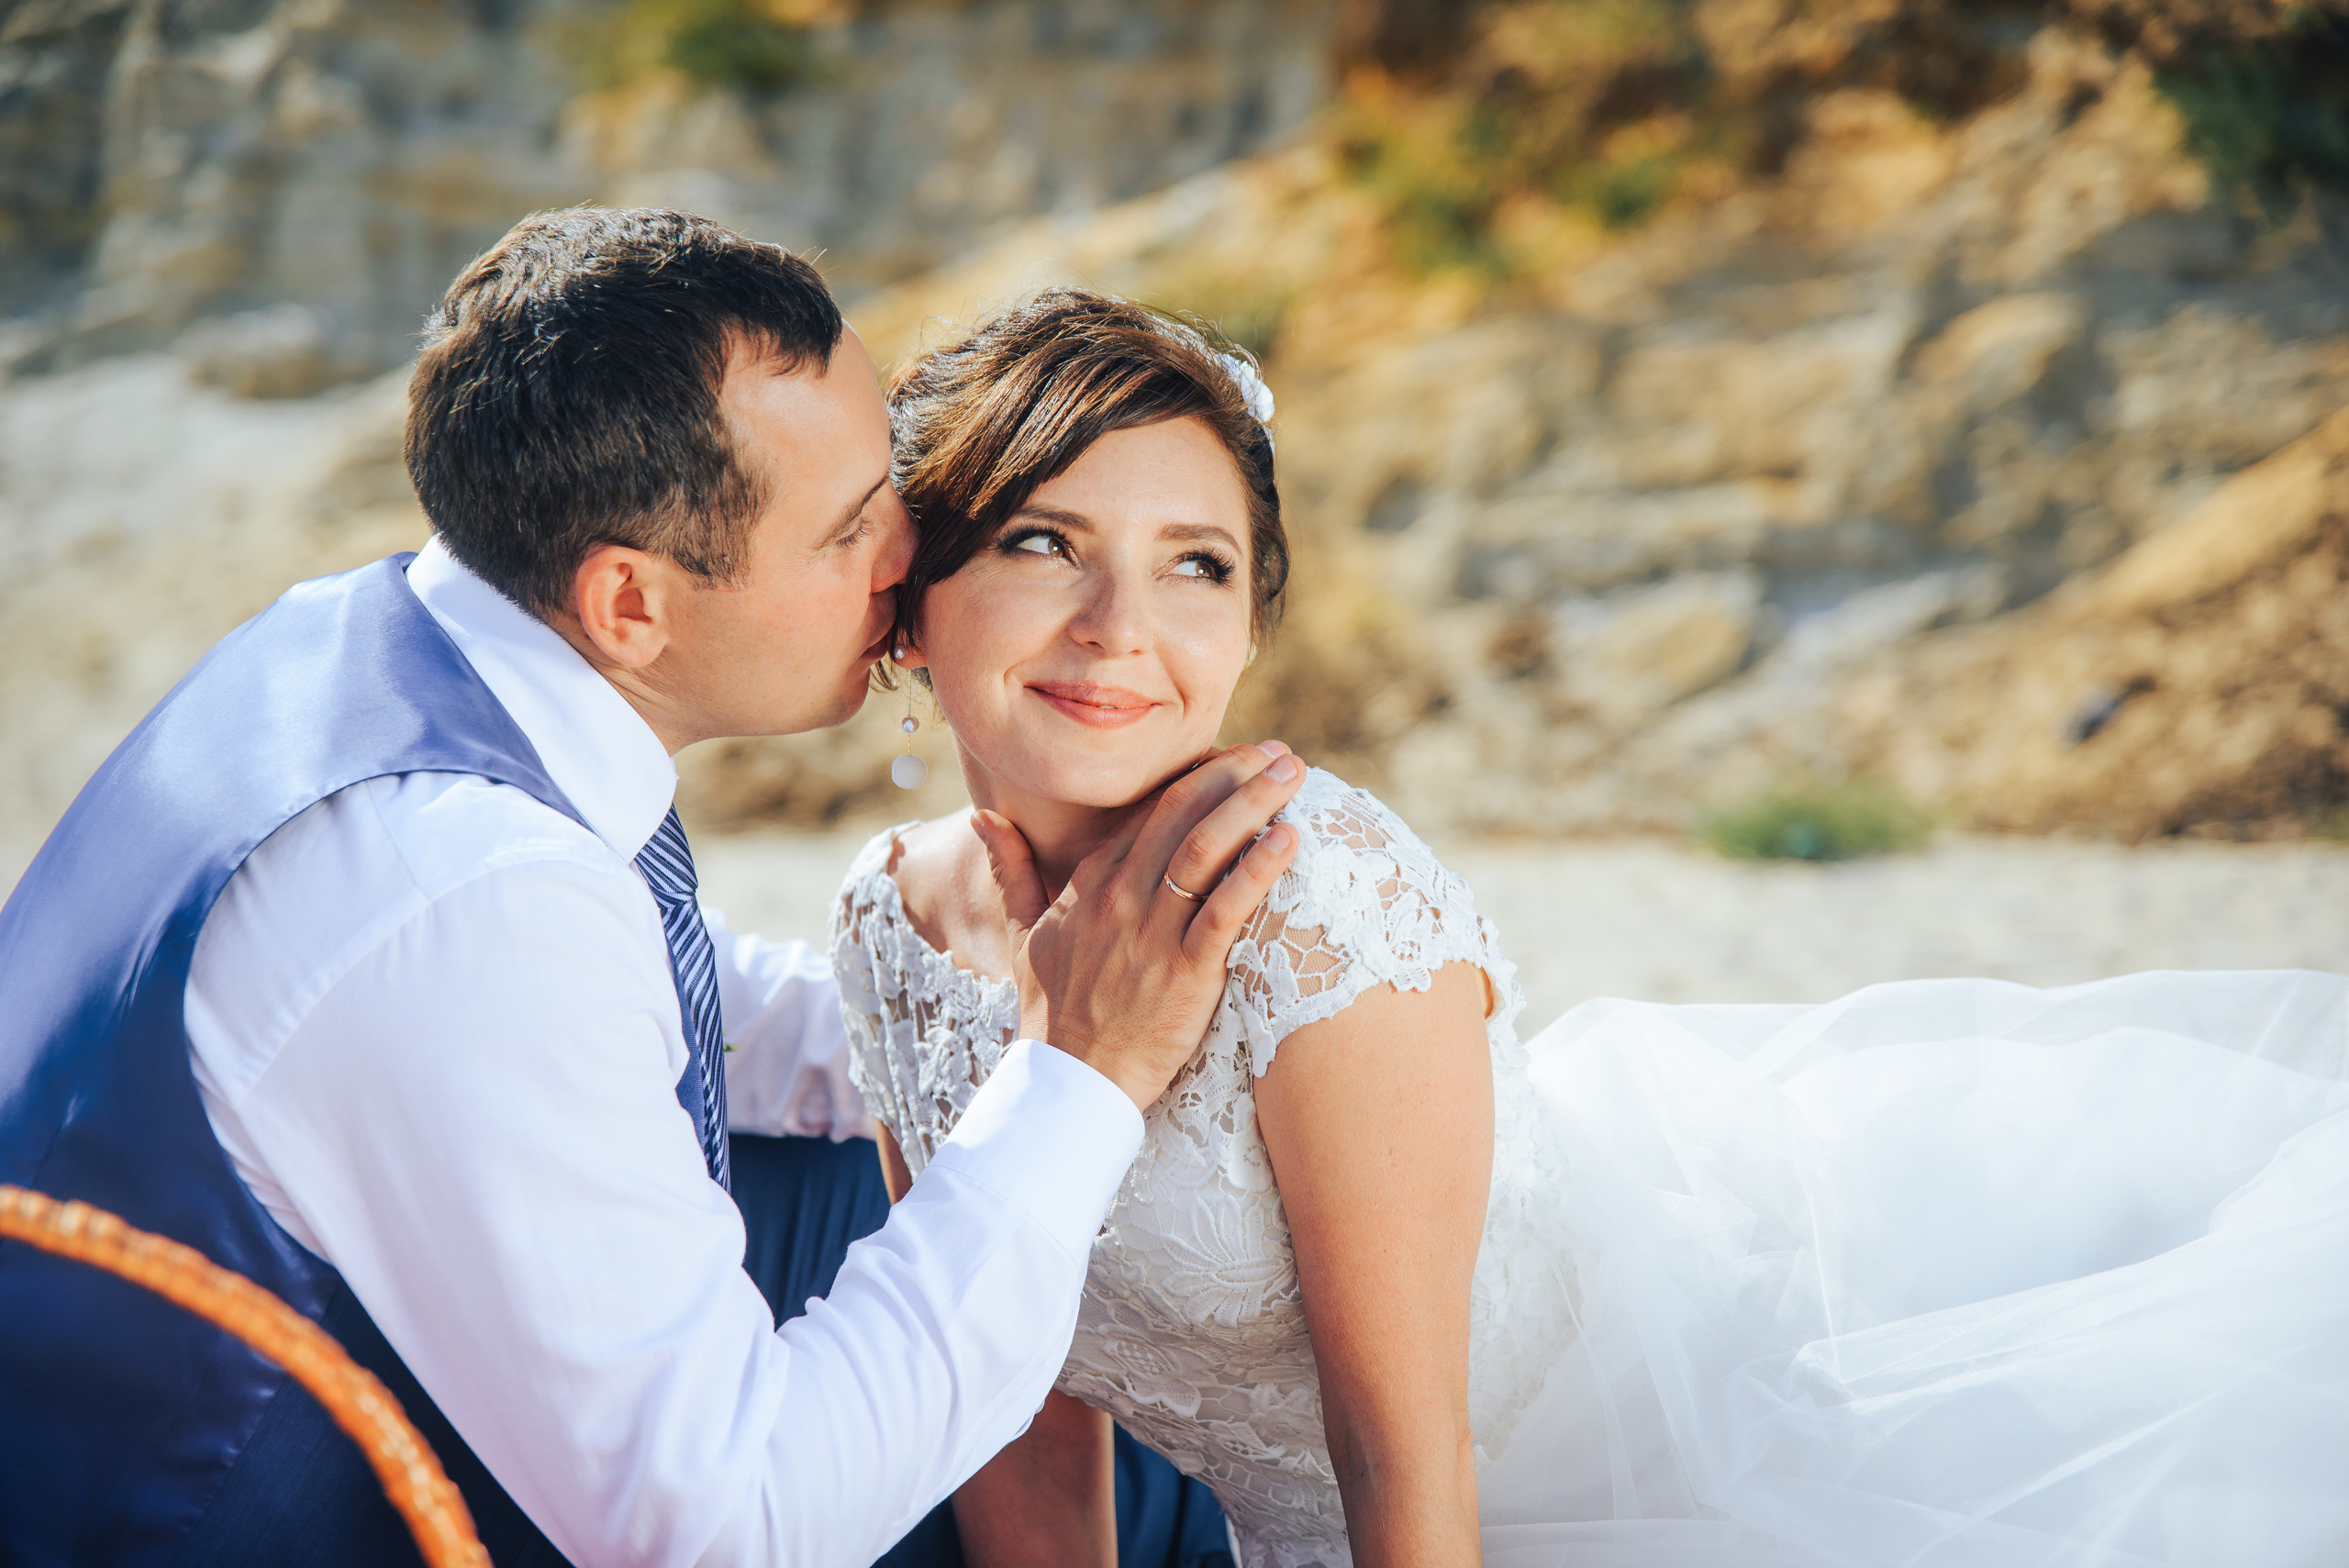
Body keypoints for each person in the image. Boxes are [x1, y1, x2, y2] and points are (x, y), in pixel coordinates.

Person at [832, 287, 2349, 1568]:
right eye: (1043, 541)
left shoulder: (1322, 907)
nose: (1121, 627)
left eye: (1197, 565)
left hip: (1613, 1495)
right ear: (910, 600)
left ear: (1251, 621)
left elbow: (1405, 1469)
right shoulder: (891, 924)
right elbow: (1009, 1378)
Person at [0, 211, 1310, 1568]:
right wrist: (1076, 1074)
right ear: (632, 605)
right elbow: (726, 1529)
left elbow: (637, 1009)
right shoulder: (460, 889)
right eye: (853, 526)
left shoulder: (380, 642)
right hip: (252, 1517)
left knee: (989, 1236)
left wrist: (979, 1004)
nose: (908, 556)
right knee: (1168, 1481)